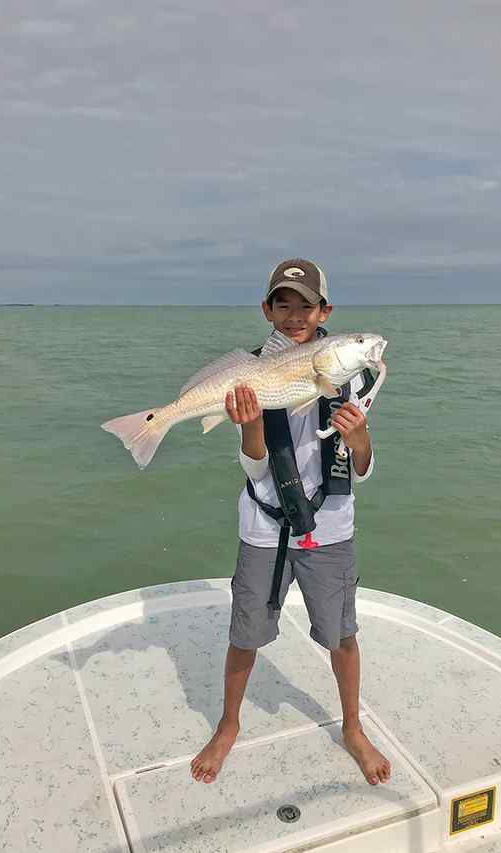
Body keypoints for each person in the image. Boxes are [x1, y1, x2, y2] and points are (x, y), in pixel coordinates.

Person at [190, 259, 391, 787]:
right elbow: (255, 463)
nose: (295, 314)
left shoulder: (353, 376)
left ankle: (353, 726)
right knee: (245, 635)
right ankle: (229, 724)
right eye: (284, 304)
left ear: (325, 311)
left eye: (306, 304)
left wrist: (360, 438)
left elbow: (362, 468)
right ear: (267, 310)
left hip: (331, 529)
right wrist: (249, 424)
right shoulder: (255, 372)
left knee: (342, 635)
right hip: (264, 526)